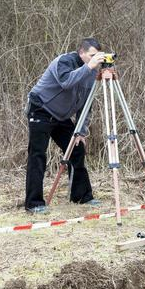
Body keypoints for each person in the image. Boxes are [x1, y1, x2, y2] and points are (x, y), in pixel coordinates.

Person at [24, 38, 106, 213]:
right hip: (41, 108)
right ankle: (34, 203)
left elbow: (86, 104)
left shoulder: (91, 73)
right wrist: (89, 66)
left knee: (76, 149)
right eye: (92, 55)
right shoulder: (64, 61)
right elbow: (66, 82)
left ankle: (81, 196)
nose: (95, 59)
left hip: (61, 117)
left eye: (97, 56)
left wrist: (81, 131)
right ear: (81, 52)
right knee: (37, 154)